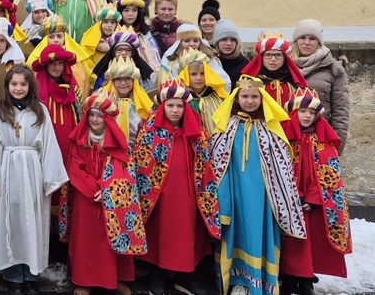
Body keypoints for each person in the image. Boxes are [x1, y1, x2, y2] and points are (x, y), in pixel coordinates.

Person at [211, 75, 306, 295]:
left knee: (258, 234)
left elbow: (281, 168)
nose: (250, 101)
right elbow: (217, 163)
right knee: (234, 233)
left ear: (262, 99)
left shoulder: (270, 128)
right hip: (234, 194)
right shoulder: (226, 127)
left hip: (262, 197)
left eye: (254, 96)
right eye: (245, 96)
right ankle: (237, 281)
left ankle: (260, 281)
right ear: (236, 98)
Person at [0, 64, 69, 295]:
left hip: (33, 171)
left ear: (30, 86)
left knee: (32, 221)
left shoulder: (39, 111)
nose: (18, 88)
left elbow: (49, 145)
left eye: (23, 84)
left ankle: (31, 274)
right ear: (7, 86)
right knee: (10, 220)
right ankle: (12, 274)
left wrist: (50, 177)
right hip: (7, 169)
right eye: (14, 84)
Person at [132, 80, 221, 295]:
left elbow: (205, 161)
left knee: (187, 233)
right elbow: (141, 162)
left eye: (179, 106)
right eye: (170, 105)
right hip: (159, 194)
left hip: (187, 192)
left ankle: (185, 276)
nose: (175, 110)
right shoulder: (150, 130)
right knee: (159, 233)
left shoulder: (196, 131)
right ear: (163, 106)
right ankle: (157, 277)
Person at [68, 91, 143, 295]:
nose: (94, 119)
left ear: (107, 118)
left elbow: (122, 169)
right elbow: (75, 168)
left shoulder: (117, 143)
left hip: (110, 197)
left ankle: (113, 279)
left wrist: (106, 188)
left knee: (111, 238)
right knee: (85, 239)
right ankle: (84, 280)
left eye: (99, 116)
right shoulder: (80, 140)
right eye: (91, 115)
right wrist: (93, 189)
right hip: (85, 197)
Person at [279, 87, 352, 295]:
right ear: (293, 112)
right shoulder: (284, 139)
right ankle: (289, 278)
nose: (307, 116)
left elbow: (329, 173)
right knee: (290, 242)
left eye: (312, 112)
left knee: (310, 243)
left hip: (314, 202)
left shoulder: (322, 141)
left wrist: (312, 198)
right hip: (289, 199)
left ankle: (306, 279)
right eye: (302, 111)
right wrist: (291, 195)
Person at [31, 44, 78, 245]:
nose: (57, 67)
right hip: (44, 151)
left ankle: (63, 239)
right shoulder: (36, 92)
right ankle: (44, 240)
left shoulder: (73, 89)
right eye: (52, 64)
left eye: (60, 63)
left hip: (69, 151)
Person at [290, 19, 350, 153]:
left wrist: (337, 144)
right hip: (290, 139)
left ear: (318, 42)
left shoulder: (333, 69)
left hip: (321, 139)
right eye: (302, 38)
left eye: (312, 38)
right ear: (296, 40)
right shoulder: (285, 66)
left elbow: (340, 110)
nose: (306, 42)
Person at [25, 14, 95, 99]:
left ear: (65, 37)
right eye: (51, 37)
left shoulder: (76, 58)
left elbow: (83, 83)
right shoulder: (36, 58)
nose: (56, 40)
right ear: (46, 39)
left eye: (59, 36)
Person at [240, 31, 308, 107]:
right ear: (261, 58)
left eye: (278, 55)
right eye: (268, 55)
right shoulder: (249, 80)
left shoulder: (294, 82)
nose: (273, 59)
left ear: (285, 58)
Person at [161, 23, 231, 91]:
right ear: (179, 43)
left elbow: (224, 81)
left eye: (195, 41)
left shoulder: (208, 59)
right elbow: (165, 82)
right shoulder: (171, 61)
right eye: (187, 41)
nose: (192, 44)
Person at [101, 57, 154, 145]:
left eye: (127, 78)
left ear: (133, 81)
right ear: (112, 82)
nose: (123, 83)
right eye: (118, 79)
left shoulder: (143, 103)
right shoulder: (101, 101)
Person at [177, 47, 229, 133]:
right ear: (185, 75)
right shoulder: (180, 99)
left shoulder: (217, 98)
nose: (199, 78)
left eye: (202, 73)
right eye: (193, 74)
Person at [91, 25, 155, 93]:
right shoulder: (103, 74)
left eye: (128, 50)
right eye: (119, 50)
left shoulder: (141, 74)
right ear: (114, 53)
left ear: (133, 54)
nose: (124, 53)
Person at [116, 0, 161, 72]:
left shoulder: (144, 32)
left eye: (134, 10)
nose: (131, 14)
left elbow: (154, 56)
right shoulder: (115, 32)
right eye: (126, 10)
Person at [211, 19, 249, 84]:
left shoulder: (245, 64)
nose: (229, 43)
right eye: (224, 39)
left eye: (233, 40)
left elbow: (254, 86)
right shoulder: (212, 63)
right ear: (217, 42)